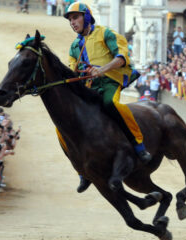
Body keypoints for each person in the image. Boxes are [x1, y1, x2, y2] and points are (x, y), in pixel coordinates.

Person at [63, 2, 152, 192]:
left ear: (86, 17)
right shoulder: (74, 47)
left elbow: (121, 58)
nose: (72, 22)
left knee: (110, 103)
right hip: (89, 86)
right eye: (70, 20)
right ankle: (80, 170)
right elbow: (72, 70)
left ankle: (138, 145)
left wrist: (101, 70)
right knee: (63, 122)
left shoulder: (106, 33)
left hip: (110, 81)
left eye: (75, 17)